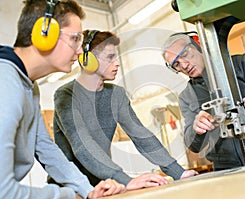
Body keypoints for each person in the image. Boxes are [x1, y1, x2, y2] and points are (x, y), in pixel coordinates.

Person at [0, 1, 126, 199]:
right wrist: (68, 196)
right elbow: (3, 191)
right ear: (44, 34)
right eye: (75, 39)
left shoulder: (28, 85)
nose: (79, 51)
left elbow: (46, 149)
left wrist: (88, 191)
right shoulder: (5, 83)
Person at [48, 29, 198, 190]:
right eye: (110, 57)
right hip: (69, 188)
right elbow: (82, 145)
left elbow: (141, 136)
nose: (117, 63)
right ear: (87, 59)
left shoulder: (116, 94)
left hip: (103, 184)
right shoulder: (66, 95)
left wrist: (178, 172)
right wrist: (125, 180)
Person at [162, 32, 245, 171]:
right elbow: (192, 145)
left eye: (184, 54)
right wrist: (196, 130)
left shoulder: (241, 64)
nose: (184, 65)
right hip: (224, 168)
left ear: (197, 42)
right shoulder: (187, 96)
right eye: (176, 64)